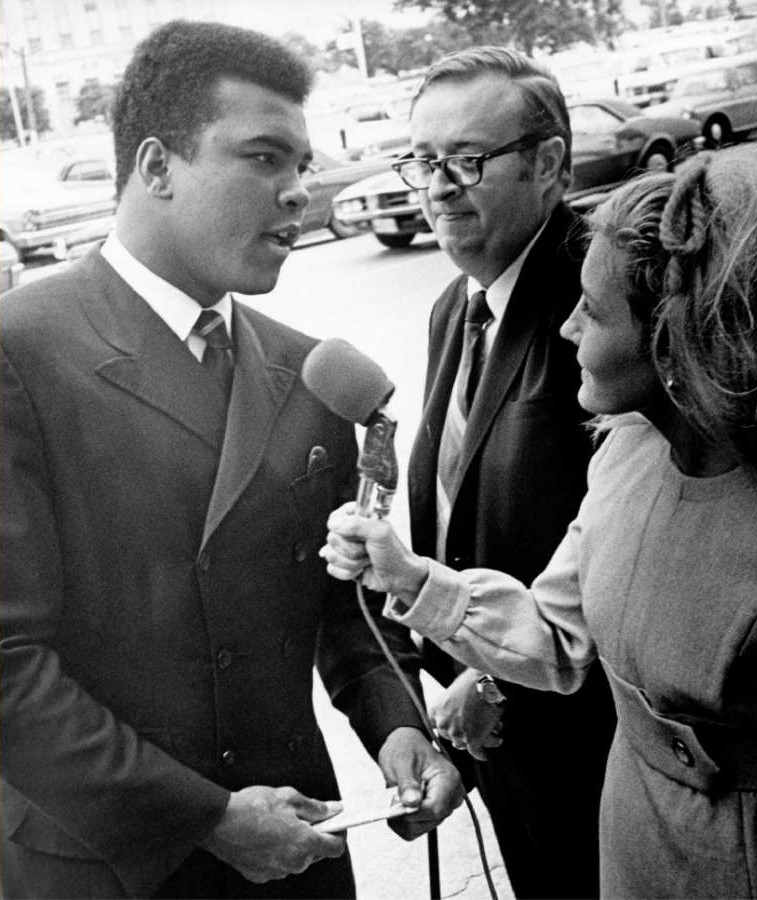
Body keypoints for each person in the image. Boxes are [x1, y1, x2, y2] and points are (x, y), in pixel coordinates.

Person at [0, 20, 463, 900]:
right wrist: (206, 818)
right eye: (262, 158)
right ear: (157, 166)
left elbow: (343, 614)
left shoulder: (308, 368)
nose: (300, 190)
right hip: (104, 863)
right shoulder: (19, 351)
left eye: (303, 164)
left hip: (296, 853)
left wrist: (398, 724)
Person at [322, 153, 757, 898]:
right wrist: (407, 576)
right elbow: (558, 637)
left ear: (675, 338)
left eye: (592, 312)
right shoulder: (625, 455)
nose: (565, 327)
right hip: (634, 844)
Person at [387, 46, 615, 897]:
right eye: (423, 161)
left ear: (549, 163)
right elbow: (457, 509)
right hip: (496, 738)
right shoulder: (459, 302)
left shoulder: (602, 294)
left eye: (467, 161)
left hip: (596, 740)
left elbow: (622, 529)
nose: (438, 186)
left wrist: (488, 675)